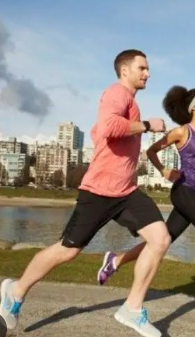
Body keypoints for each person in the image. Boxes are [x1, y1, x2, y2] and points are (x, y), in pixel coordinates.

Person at [0, 49, 171, 337]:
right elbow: (108, 126)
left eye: (148, 68)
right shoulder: (116, 93)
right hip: (99, 192)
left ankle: (132, 308)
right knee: (67, 251)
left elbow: (102, 131)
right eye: (142, 67)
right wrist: (147, 126)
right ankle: (14, 292)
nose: (148, 73)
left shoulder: (130, 103)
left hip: (127, 191)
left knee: (161, 238)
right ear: (125, 70)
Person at [96, 85, 195, 323]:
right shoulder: (182, 133)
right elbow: (151, 151)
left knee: (163, 239)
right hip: (185, 192)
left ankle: (115, 260)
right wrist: (164, 170)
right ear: (194, 107)